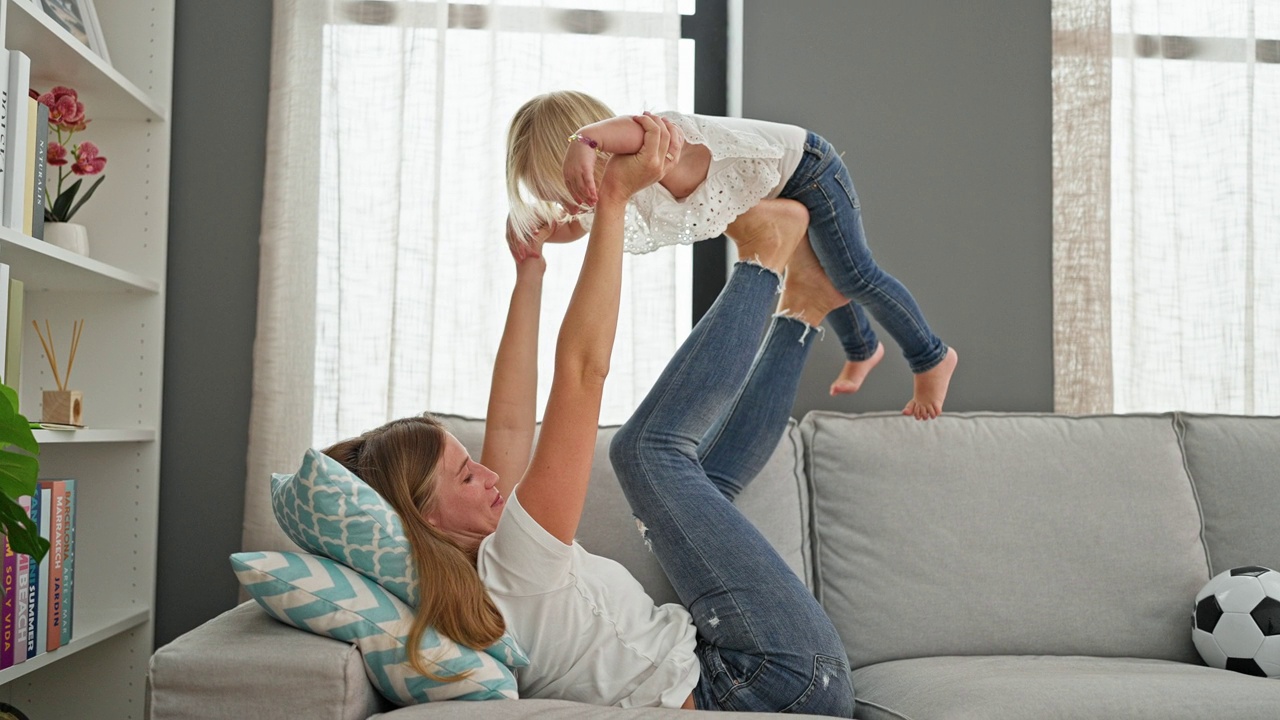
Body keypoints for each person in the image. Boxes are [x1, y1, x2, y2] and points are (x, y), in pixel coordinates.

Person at [325, 114, 856, 714]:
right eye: (466, 477)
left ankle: (803, 313)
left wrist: (530, 271)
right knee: (646, 453)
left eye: (472, 463)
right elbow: (582, 374)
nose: (492, 474)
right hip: (768, 681)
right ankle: (763, 260)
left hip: (741, 664)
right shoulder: (516, 566)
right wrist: (613, 200)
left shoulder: (485, 571)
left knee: (703, 485)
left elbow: (506, 426)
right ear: (425, 519)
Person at [505, 90, 958, 420]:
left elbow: (629, 129)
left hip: (810, 170)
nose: (571, 206)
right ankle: (864, 347)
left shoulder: (656, 145)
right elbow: (576, 226)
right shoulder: (616, 192)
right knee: (823, 275)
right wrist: (540, 236)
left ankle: (931, 357)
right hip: (780, 189)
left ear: (599, 153)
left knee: (854, 274)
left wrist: (582, 141)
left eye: (567, 191)